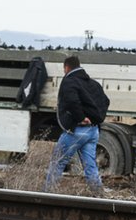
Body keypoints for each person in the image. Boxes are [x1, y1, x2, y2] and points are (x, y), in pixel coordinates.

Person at [44, 55, 108, 194]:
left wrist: (81, 117)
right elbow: (105, 101)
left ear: (66, 67)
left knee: (57, 162)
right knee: (90, 167)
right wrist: (98, 119)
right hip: (93, 131)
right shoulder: (93, 84)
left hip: (78, 131)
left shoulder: (69, 82)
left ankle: (47, 194)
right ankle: (99, 195)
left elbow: (71, 101)